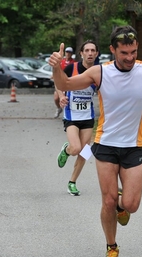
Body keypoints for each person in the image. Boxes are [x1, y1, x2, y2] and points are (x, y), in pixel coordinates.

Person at [49, 25, 142, 257]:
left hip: (134, 146)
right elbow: (67, 84)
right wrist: (56, 68)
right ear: (113, 50)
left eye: (133, 51)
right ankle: (111, 248)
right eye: (124, 52)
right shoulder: (99, 73)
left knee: (131, 205)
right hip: (105, 145)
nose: (130, 57)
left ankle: (122, 207)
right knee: (108, 201)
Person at [56, 40, 99, 196]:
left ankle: (72, 182)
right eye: (86, 50)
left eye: (92, 50)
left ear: (96, 53)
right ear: (81, 53)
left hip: (88, 116)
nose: (89, 53)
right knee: (75, 149)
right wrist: (61, 96)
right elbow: (58, 81)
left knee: (85, 151)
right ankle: (67, 150)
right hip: (71, 114)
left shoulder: (99, 72)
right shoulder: (71, 68)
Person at [54, 46, 75, 118]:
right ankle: (59, 108)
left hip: (68, 82)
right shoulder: (61, 61)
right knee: (56, 98)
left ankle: (67, 113)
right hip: (60, 81)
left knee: (66, 98)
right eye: (67, 52)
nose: (68, 54)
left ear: (72, 54)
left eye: (70, 52)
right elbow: (57, 70)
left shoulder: (73, 62)